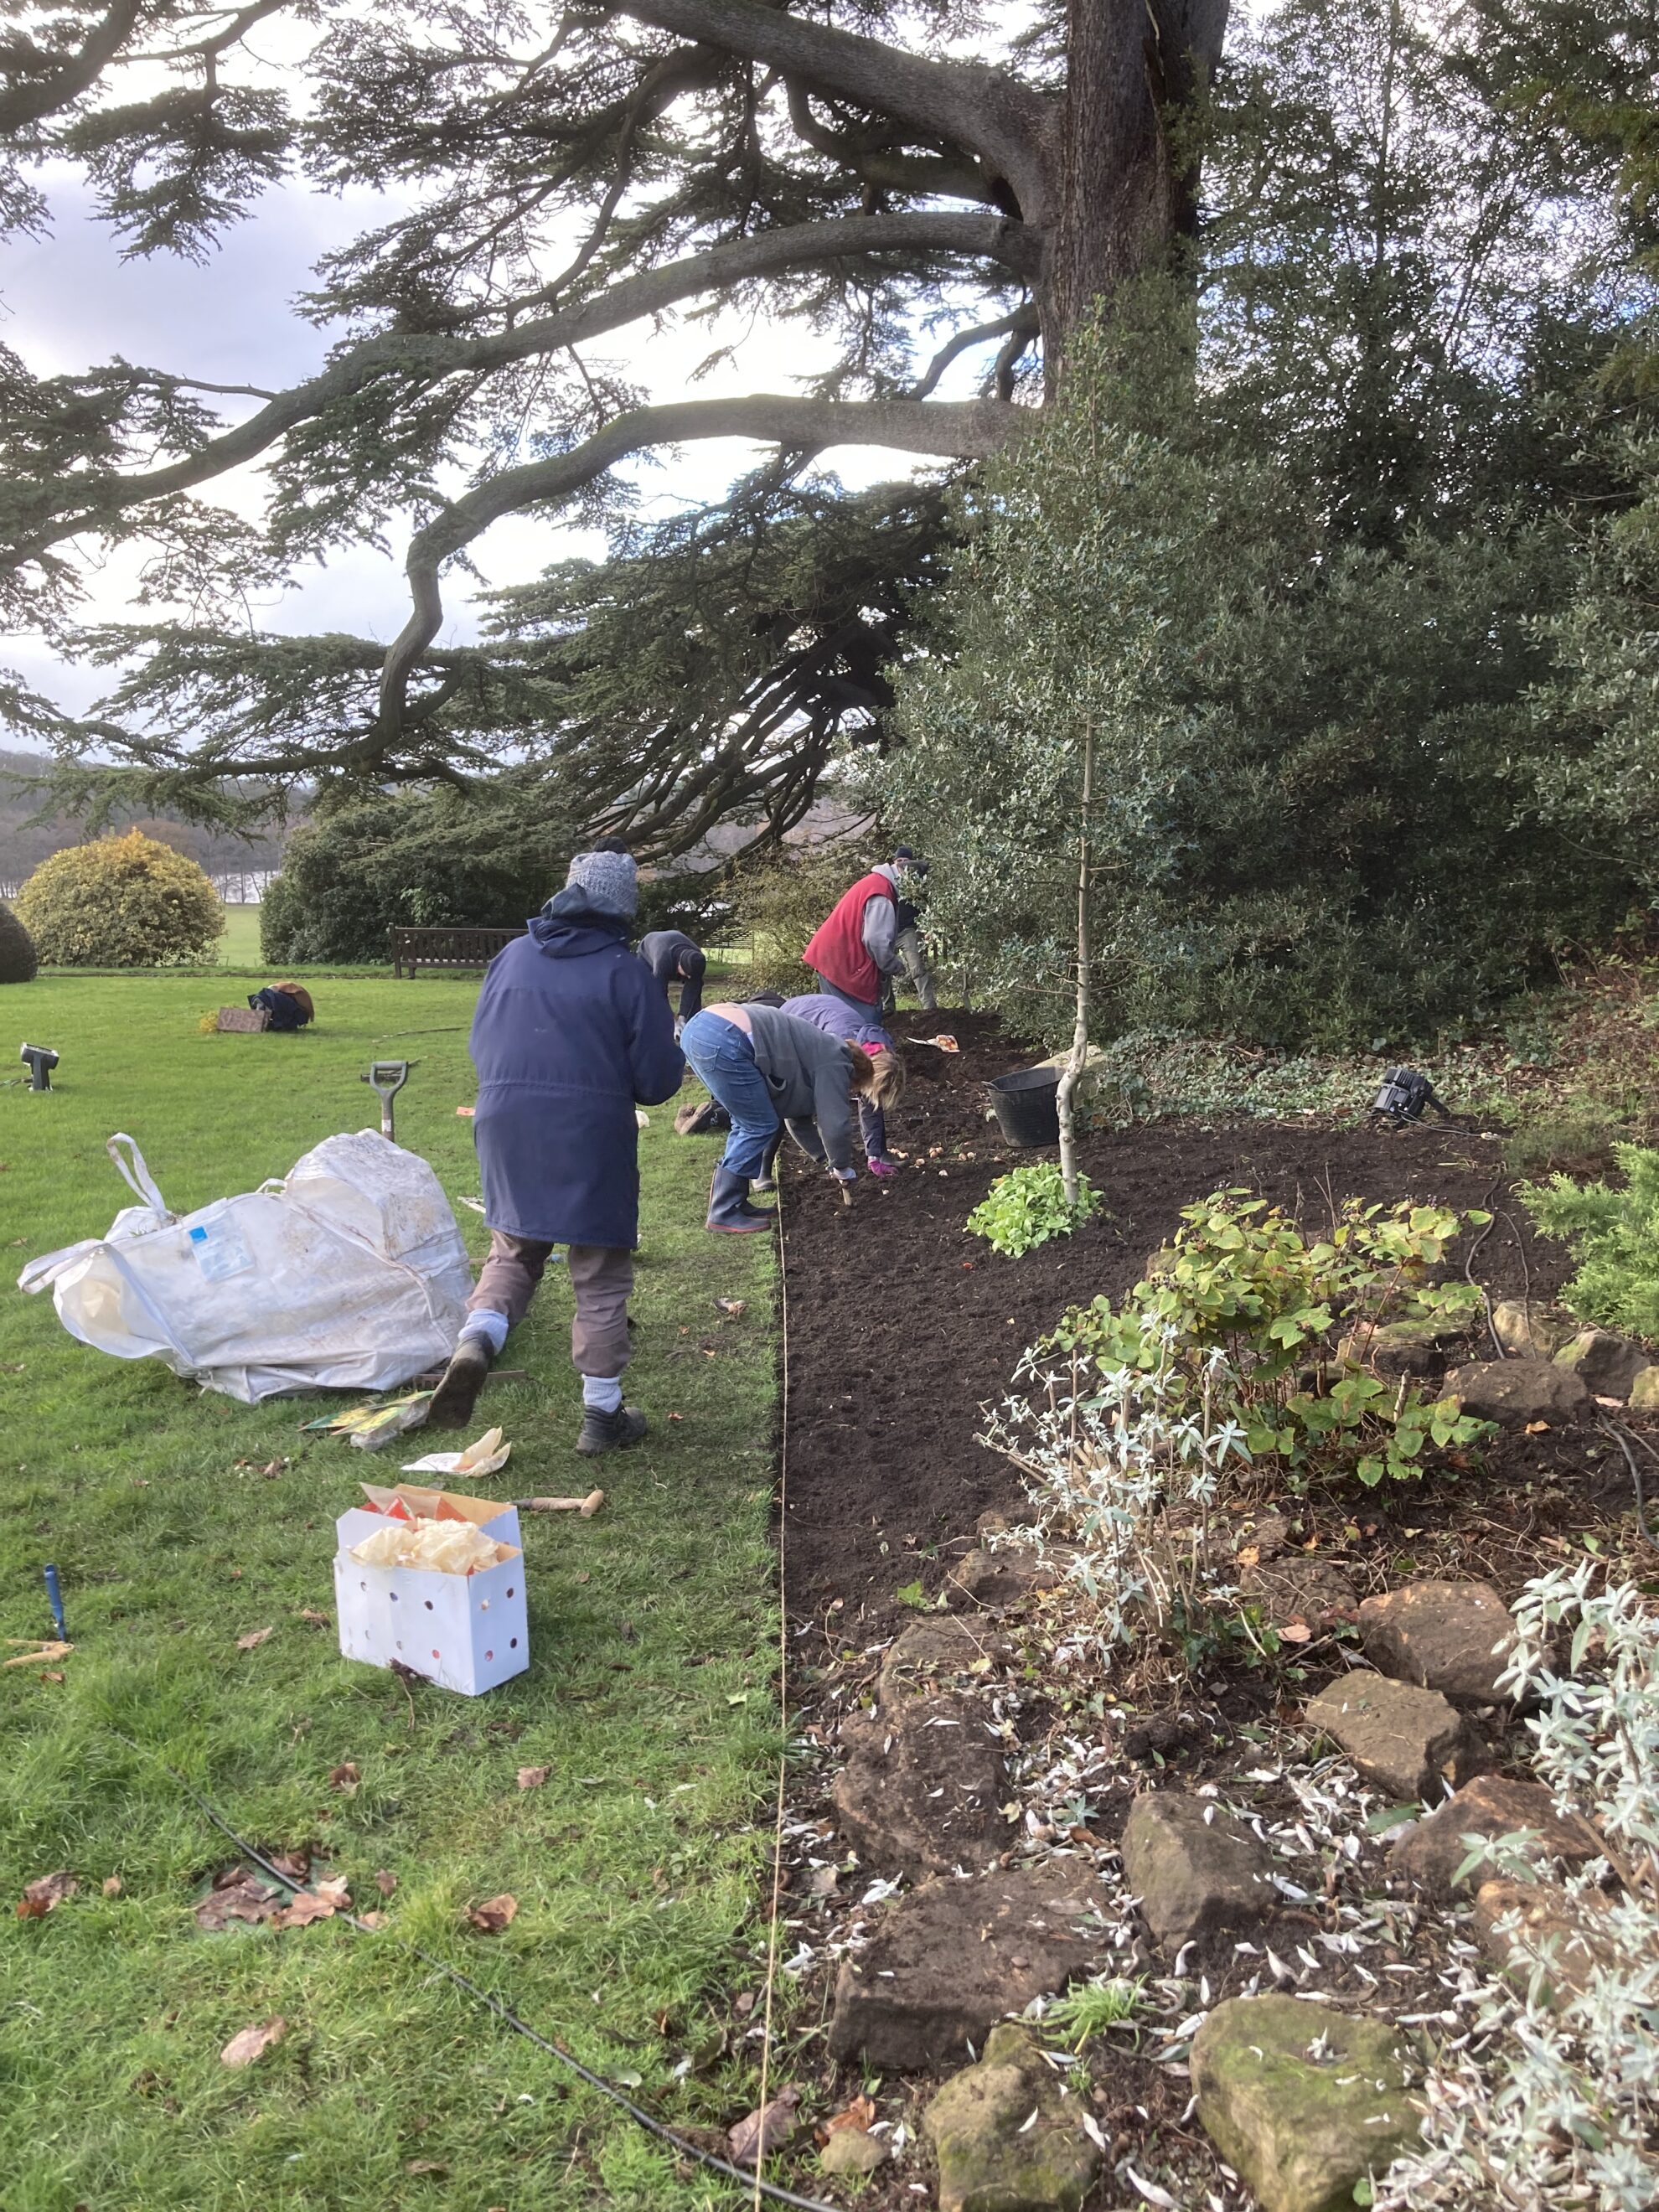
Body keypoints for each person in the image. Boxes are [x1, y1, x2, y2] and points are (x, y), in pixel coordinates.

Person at [428, 844, 685, 1452]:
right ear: (622, 909)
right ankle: (602, 1418)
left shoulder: (512, 956)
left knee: (514, 1252)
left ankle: (478, 1339)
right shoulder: (625, 973)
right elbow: (656, 1082)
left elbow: (481, 1044)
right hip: (590, 1133)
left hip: (505, 1123)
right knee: (599, 1275)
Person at [680, 1000, 905, 1231]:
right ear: (854, 1076)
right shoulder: (836, 1061)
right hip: (724, 1039)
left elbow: (797, 1121)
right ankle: (722, 1210)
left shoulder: (816, 1055)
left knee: (747, 1122)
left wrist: (827, 1161)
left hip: (703, 1029)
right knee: (758, 1125)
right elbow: (834, 1125)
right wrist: (841, 1166)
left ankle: (736, 1203)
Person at [778, 992, 903, 1175]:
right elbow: (818, 1114)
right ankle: (763, 1170)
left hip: (826, 1008)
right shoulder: (837, 1053)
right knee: (784, 1102)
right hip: (793, 1017)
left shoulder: (883, 1055)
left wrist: (874, 1156)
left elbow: (872, 1103)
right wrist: (832, 1161)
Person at [801, 857, 904, 1019]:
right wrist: (894, 966)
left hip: (831, 959)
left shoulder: (875, 882)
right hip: (846, 966)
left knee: (838, 1021)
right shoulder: (882, 894)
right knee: (862, 1024)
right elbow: (876, 941)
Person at [891, 846, 937, 1011]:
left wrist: (928, 929)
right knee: (882, 971)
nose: (903, 864)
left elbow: (926, 907)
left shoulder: (918, 884)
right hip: (888, 933)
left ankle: (929, 1008)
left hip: (908, 931)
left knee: (917, 968)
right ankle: (887, 1008)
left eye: (906, 861)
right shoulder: (889, 882)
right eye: (899, 861)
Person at [638, 927, 706, 1026]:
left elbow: (692, 991)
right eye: (687, 974)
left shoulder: (698, 959)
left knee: (696, 986)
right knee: (648, 990)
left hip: (672, 941)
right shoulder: (663, 961)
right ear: (679, 965)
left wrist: (682, 1018)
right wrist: (673, 1023)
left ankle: (691, 1025)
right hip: (647, 949)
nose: (689, 978)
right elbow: (660, 994)